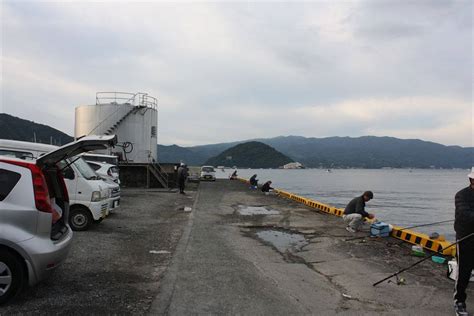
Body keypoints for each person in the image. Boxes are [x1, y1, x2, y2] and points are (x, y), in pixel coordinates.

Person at [453, 168, 474, 316]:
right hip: (465, 238)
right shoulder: (461, 195)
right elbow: (466, 214)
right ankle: (459, 301)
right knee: (464, 271)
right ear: (472, 180)